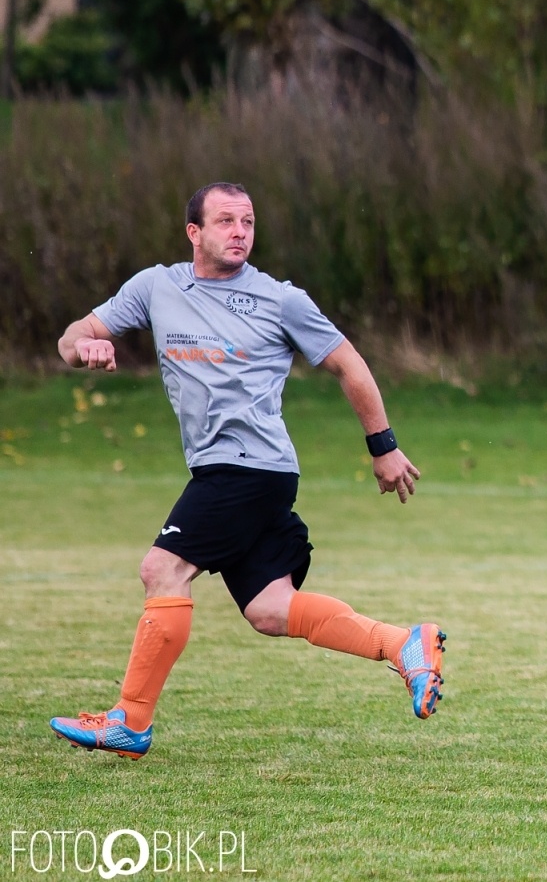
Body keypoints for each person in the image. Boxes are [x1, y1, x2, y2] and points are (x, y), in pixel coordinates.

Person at [48, 183, 445, 759]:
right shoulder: (157, 287)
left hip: (248, 469)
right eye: (227, 221)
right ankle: (403, 643)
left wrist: (383, 445)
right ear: (195, 232)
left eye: (249, 222)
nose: (240, 232)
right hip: (236, 472)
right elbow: (72, 335)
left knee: (162, 570)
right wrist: (84, 347)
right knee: (269, 610)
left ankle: (130, 721)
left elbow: (349, 364)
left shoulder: (280, 299)